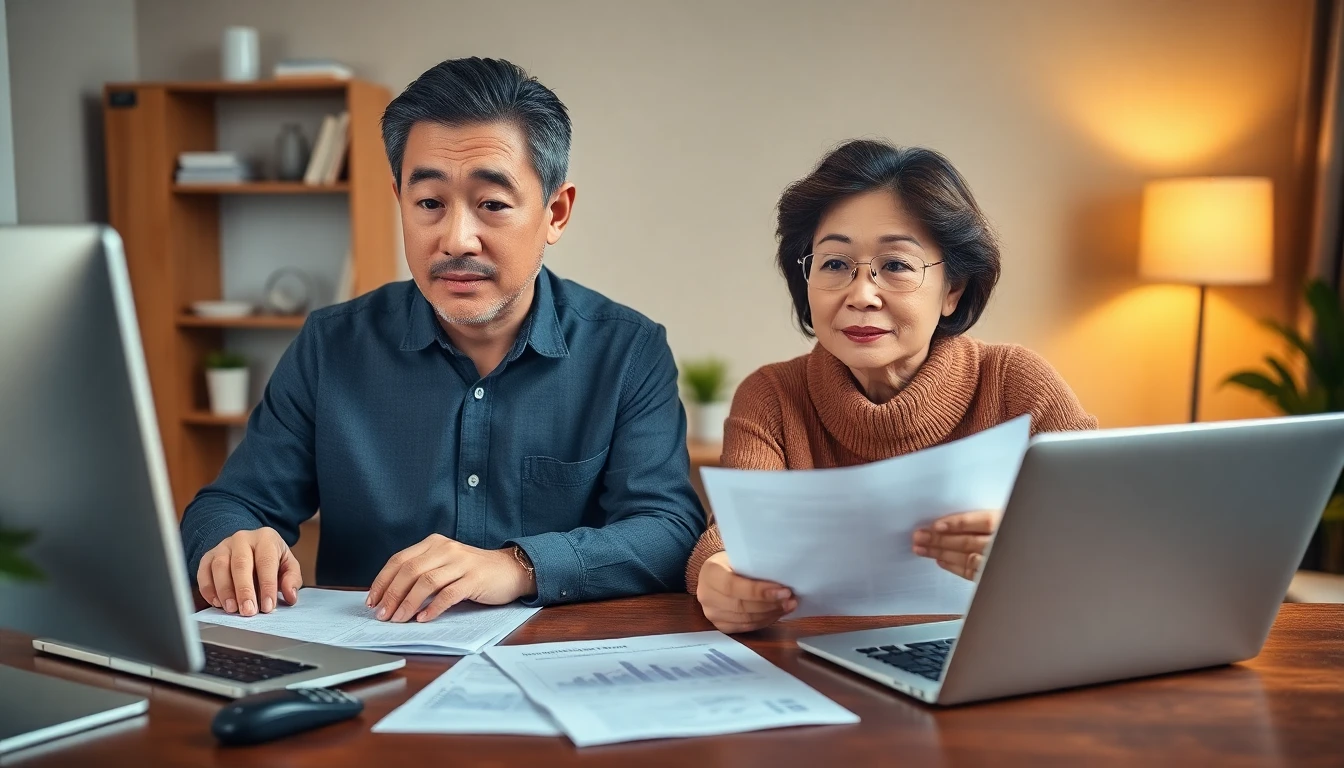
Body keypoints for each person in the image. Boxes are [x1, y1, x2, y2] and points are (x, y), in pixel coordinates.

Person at [182, 57, 705, 624]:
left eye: (492, 205)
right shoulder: (331, 346)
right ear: (400, 200)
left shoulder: (627, 351)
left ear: (555, 212)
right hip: (373, 664)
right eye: (429, 203)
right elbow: (230, 503)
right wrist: (232, 540)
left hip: (550, 660)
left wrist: (519, 566)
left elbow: (667, 529)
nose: (457, 239)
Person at [687, 140, 1096, 633]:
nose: (861, 295)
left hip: (988, 653)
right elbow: (732, 541)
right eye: (835, 264)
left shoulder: (1016, 384)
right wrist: (719, 577)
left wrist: (1032, 547)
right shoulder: (772, 395)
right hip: (818, 661)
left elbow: (1109, 528)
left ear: (953, 289)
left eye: (897, 265)